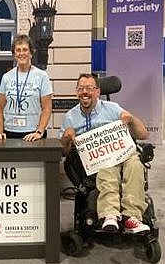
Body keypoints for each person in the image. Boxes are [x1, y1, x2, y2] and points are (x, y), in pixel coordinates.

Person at [60, 73, 150, 233]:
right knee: (107, 166)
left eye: (89, 88)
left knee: (136, 164)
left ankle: (132, 217)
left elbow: (143, 134)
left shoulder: (113, 108)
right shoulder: (70, 117)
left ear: (97, 92)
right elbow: (64, 153)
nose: (85, 92)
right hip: (98, 159)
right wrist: (67, 139)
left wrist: (130, 119)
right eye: (81, 89)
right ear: (76, 92)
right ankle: (110, 214)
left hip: (122, 153)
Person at [0, 34, 53, 141]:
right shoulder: (6, 77)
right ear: (14, 54)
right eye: (18, 50)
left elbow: (47, 108)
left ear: (31, 53)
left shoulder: (41, 76)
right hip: (10, 132)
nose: (22, 53)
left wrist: (39, 131)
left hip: (33, 134)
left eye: (25, 50)